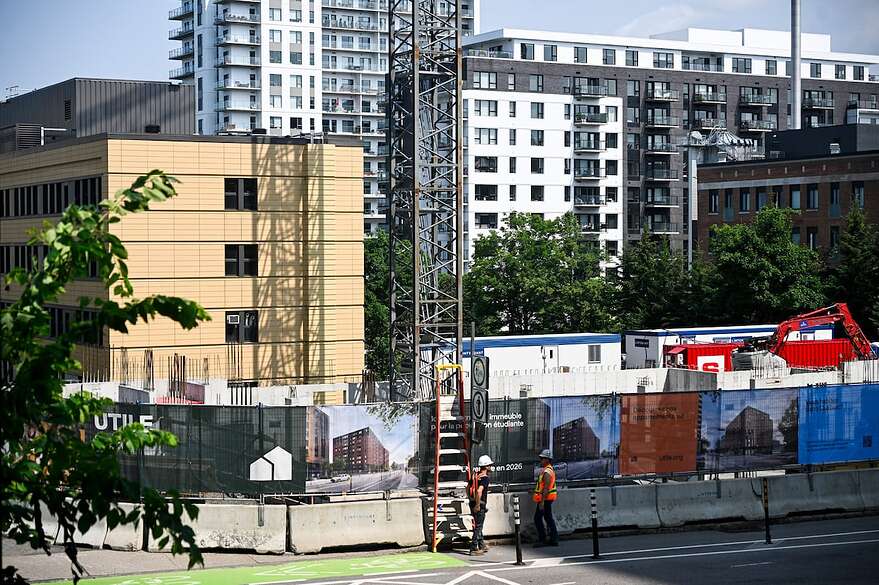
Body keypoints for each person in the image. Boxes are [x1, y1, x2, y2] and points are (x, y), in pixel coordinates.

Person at [532, 448, 558, 547]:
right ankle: (553, 539)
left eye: (542, 458)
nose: (541, 460)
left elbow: (546, 488)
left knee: (537, 518)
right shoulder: (548, 470)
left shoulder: (547, 472)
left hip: (545, 499)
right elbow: (542, 486)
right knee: (548, 518)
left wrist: (542, 502)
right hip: (547, 498)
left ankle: (543, 539)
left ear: (547, 459)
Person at [469, 454, 493, 555]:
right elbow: (479, 491)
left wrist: (472, 500)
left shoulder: (475, 475)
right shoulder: (485, 478)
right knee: (479, 526)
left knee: (478, 525)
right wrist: (478, 504)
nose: (491, 467)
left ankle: (481, 544)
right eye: (490, 465)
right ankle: (474, 548)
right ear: (486, 466)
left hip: (472, 502)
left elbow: (468, 488)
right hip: (480, 504)